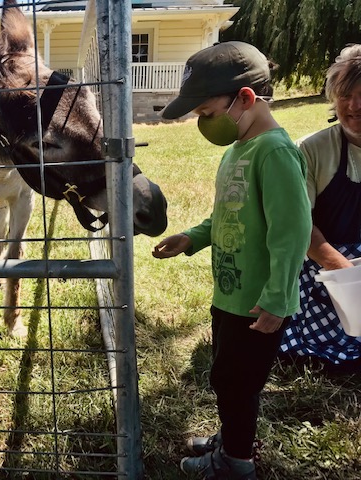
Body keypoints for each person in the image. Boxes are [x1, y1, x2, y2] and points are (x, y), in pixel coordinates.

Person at [153, 41, 312, 480]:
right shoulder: (236, 151)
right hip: (230, 293)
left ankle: (236, 462)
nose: (203, 122)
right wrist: (192, 238)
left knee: (237, 384)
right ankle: (232, 437)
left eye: (205, 112)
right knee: (226, 377)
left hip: (259, 303)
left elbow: (292, 232)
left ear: (244, 98)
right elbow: (226, 214)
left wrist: (278, 296)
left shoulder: (275, 152)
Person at [279, 45, 361, 371]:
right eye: (345, 95)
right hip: (325, 269)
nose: (354, 106)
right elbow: (301, 228)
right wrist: (348, 273)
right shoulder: (311, 150)